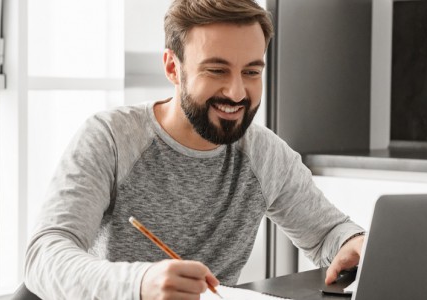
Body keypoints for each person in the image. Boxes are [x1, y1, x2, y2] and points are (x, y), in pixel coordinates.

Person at [24, 0, 365, 299]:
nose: (236, 92)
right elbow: (45, 256)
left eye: (251, 72)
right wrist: (140, 284)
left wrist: (355, 244)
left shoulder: (264, 154)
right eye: (216, 70)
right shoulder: (111, 138)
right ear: (173, 67)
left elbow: (328, 234)